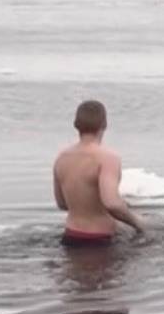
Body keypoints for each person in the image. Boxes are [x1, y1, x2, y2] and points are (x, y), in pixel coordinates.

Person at [53, 100, 144, 246]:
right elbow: (112, 203)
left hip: (70, 237)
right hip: (100, 240)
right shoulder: (107, 158)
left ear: (76, 124)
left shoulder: (62, 158)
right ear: (105, 124)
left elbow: (62, 203)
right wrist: (138, 223)